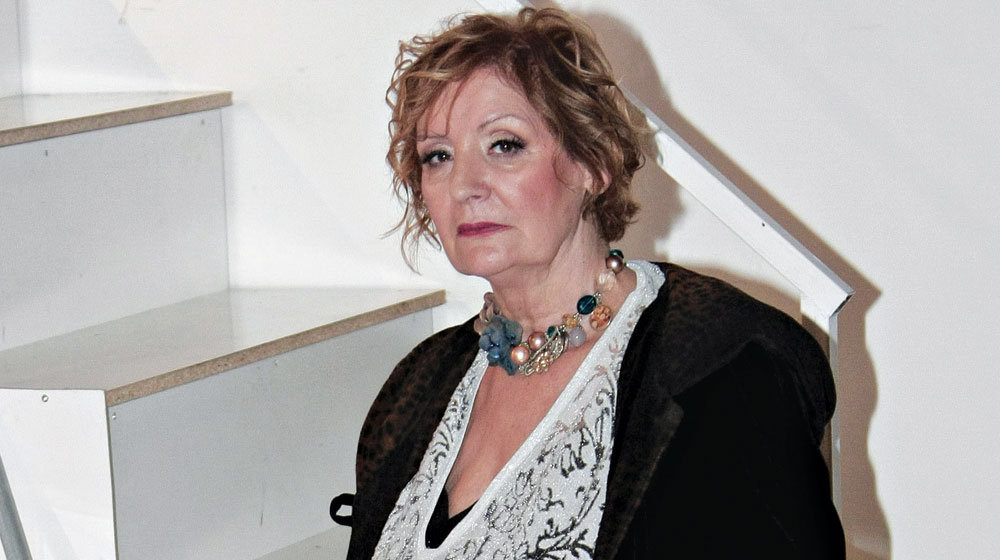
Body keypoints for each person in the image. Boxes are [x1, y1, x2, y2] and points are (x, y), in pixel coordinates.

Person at [340, 7, 845, 559]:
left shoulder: (722, 368)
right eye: (438, 156)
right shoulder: (417, 383)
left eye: (504, 145)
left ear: (592, 162)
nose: (464, 185)